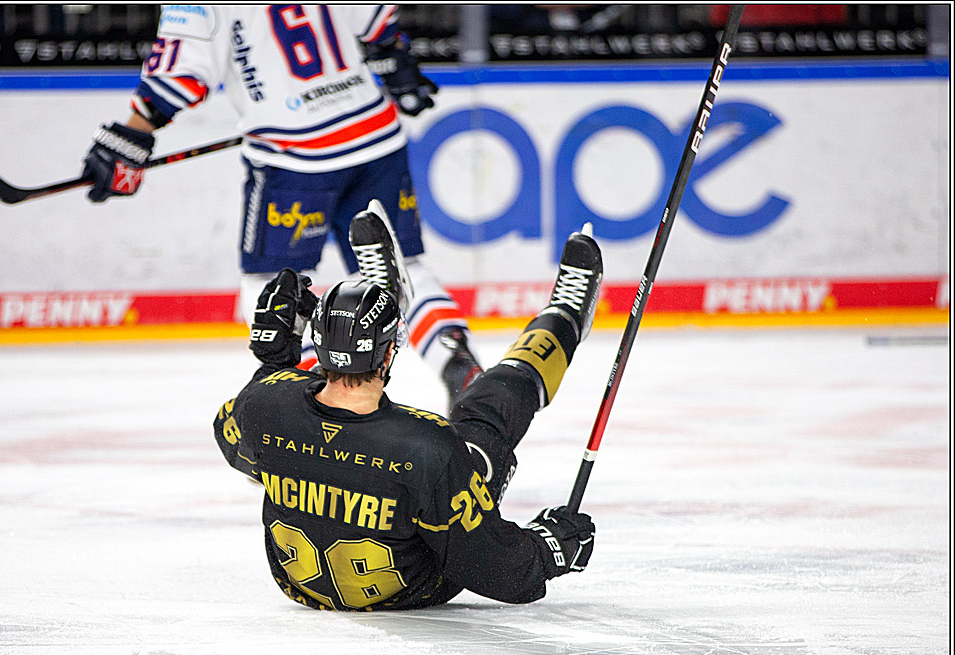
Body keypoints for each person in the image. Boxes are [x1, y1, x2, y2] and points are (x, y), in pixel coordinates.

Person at [80, 4, 482, 409]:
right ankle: (457, 363)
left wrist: (134, 132)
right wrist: (395, 62)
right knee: (403, 267)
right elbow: (376, 20)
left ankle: (309, 397)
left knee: (269, 283)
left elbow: (180, 71)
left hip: (295, 154)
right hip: (374, 135)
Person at [213, 203, 602, 610]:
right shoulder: (429, 448)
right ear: (388, 354)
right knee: (488, 411)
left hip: (303, 586)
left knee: (297, 419)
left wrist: (273, 361)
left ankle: (385, 295)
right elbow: (501, 571)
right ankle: (565, 317)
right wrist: (550, 547)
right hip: (412, 586)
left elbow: (235, 434)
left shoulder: (262, 405)